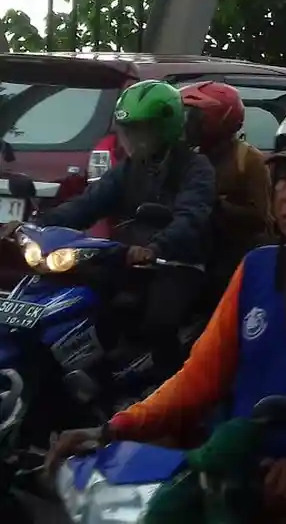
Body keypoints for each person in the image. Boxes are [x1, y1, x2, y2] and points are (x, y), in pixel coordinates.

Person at [45, 100, 286, 522]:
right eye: (283, 179)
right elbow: (200, 376)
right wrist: (114, 428)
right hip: (232, 466)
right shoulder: (258, 267)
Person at [1, 80, 216, 381]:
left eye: (141, 130)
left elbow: (191, 217)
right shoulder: (130, 168)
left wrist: (157, 247)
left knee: (159, 320)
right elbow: (88, 204)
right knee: (80, 294)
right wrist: (36, 224)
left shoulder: (195, 167)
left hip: (176, 262)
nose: (131, 138)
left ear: (164, 128)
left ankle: (164, 388)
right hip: (127, 256)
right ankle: (85, 373)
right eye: (129, 129)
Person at [180, 81, 272, 287]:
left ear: (218, 119)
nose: (188, 124)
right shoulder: (192, 157)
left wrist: (219, 205)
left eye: (196, 117)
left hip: (234, 260)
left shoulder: (248, 160)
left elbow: (262, 218)